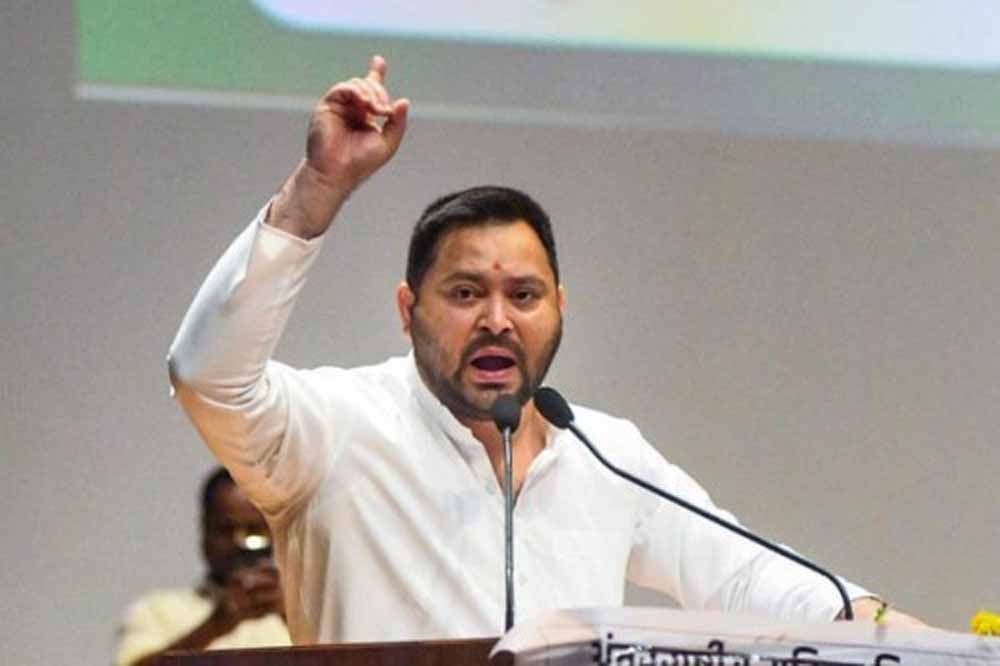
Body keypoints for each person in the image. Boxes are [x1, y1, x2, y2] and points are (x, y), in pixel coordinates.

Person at [167, 55, 922, 644]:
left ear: (560, 310)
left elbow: (745, 575)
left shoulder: (602, 452)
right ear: (407, 310)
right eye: (466, 293)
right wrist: (317, 187)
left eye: (524, 296)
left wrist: (902, 635)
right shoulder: (336, 429)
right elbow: (207, 377)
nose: (497, 321)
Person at [114, 468, 289, 666]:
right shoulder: (156, 611)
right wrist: (214, 626)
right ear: (205, 531)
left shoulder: (303, 612)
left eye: (254, 530)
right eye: (226, 530)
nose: (239, 542)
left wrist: (289, 614)